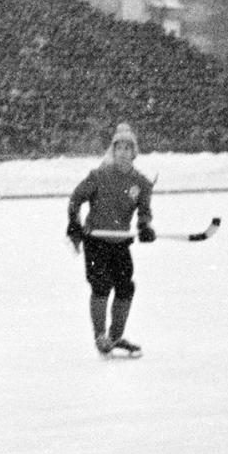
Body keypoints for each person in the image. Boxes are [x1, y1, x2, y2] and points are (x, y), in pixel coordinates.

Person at [66, 122, 155, 357]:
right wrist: (74, 223)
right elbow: (76, 199)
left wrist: (145, 227)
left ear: (134, 153)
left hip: (120, 242)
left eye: (128, 148)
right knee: (101, 285)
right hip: (96, 241)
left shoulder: (142, 183)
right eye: (119, 148)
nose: (123, 152)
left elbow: (144, 211)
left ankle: (116, 336)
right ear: (113, 151)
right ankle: (100, 336)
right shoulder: (99, 176)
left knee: (126, 287)